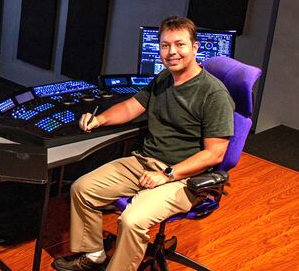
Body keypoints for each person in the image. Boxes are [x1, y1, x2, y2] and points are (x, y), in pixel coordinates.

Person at [51, 16, 235, 271]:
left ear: (195, 47)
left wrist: (167, 174)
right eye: (165, 45)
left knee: (132, 220)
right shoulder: (164, 78)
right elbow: (131, 107)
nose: (172, 52)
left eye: (180, 44)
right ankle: (94, 255)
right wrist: (99, 119)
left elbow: (214, 154)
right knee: (82, 189)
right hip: (144, 162)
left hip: (183, 177)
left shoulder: (214, 94)